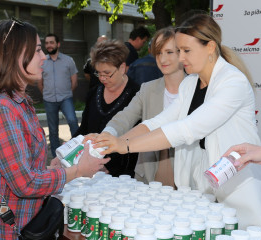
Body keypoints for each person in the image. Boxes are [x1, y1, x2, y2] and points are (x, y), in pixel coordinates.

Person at [92, 14, 261, 227]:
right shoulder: (190, 84)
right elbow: (158, 122)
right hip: (202, 190)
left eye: (186, 51)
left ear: (210, 47)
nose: (181, 57)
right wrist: (112, 143)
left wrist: (125, 145)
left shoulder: (232, 82)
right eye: (179, 50)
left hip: (238, 190)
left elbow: (187, 129)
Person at [0, 19, 109, 239]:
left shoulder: (19, 103)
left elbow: (23, 170)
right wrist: (78, 170)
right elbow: (25, 183)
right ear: (12, 55)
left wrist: (54, 167)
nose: (43, 57)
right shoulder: (0, 108)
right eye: (37, 50)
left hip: (20, 224)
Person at [98, 27, 185, 185]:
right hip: (149, 176)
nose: (163, 59)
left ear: (183, 53)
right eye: (158, 53)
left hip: (186, 179)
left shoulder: (198, 90)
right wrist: (107, 134)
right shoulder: (147, 89)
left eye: (169, 52)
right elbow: (125, 116)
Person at [73, 39, 140, 177]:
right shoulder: (93, 93)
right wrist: (68, 151)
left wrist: (110, 167)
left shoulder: (137, 94)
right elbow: (84, 130)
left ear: (122, 68)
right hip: (91, 170)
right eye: (98, 73)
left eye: (107, 73)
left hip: (124, 174)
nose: (102, 78)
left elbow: (138, 139)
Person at [38, 33, 79, 157]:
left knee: (72, 121)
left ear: (58, 44)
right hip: (49, 100)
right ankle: (57, 156)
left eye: (51, 42)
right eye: (47, 43)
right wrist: (46, 93)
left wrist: (66, 93)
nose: (49, 45)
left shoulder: (68, 60)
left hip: (66, 98)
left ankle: (78, 149)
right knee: (53, 129)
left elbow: (74, 82)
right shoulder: (42, 62)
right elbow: (40, 83)